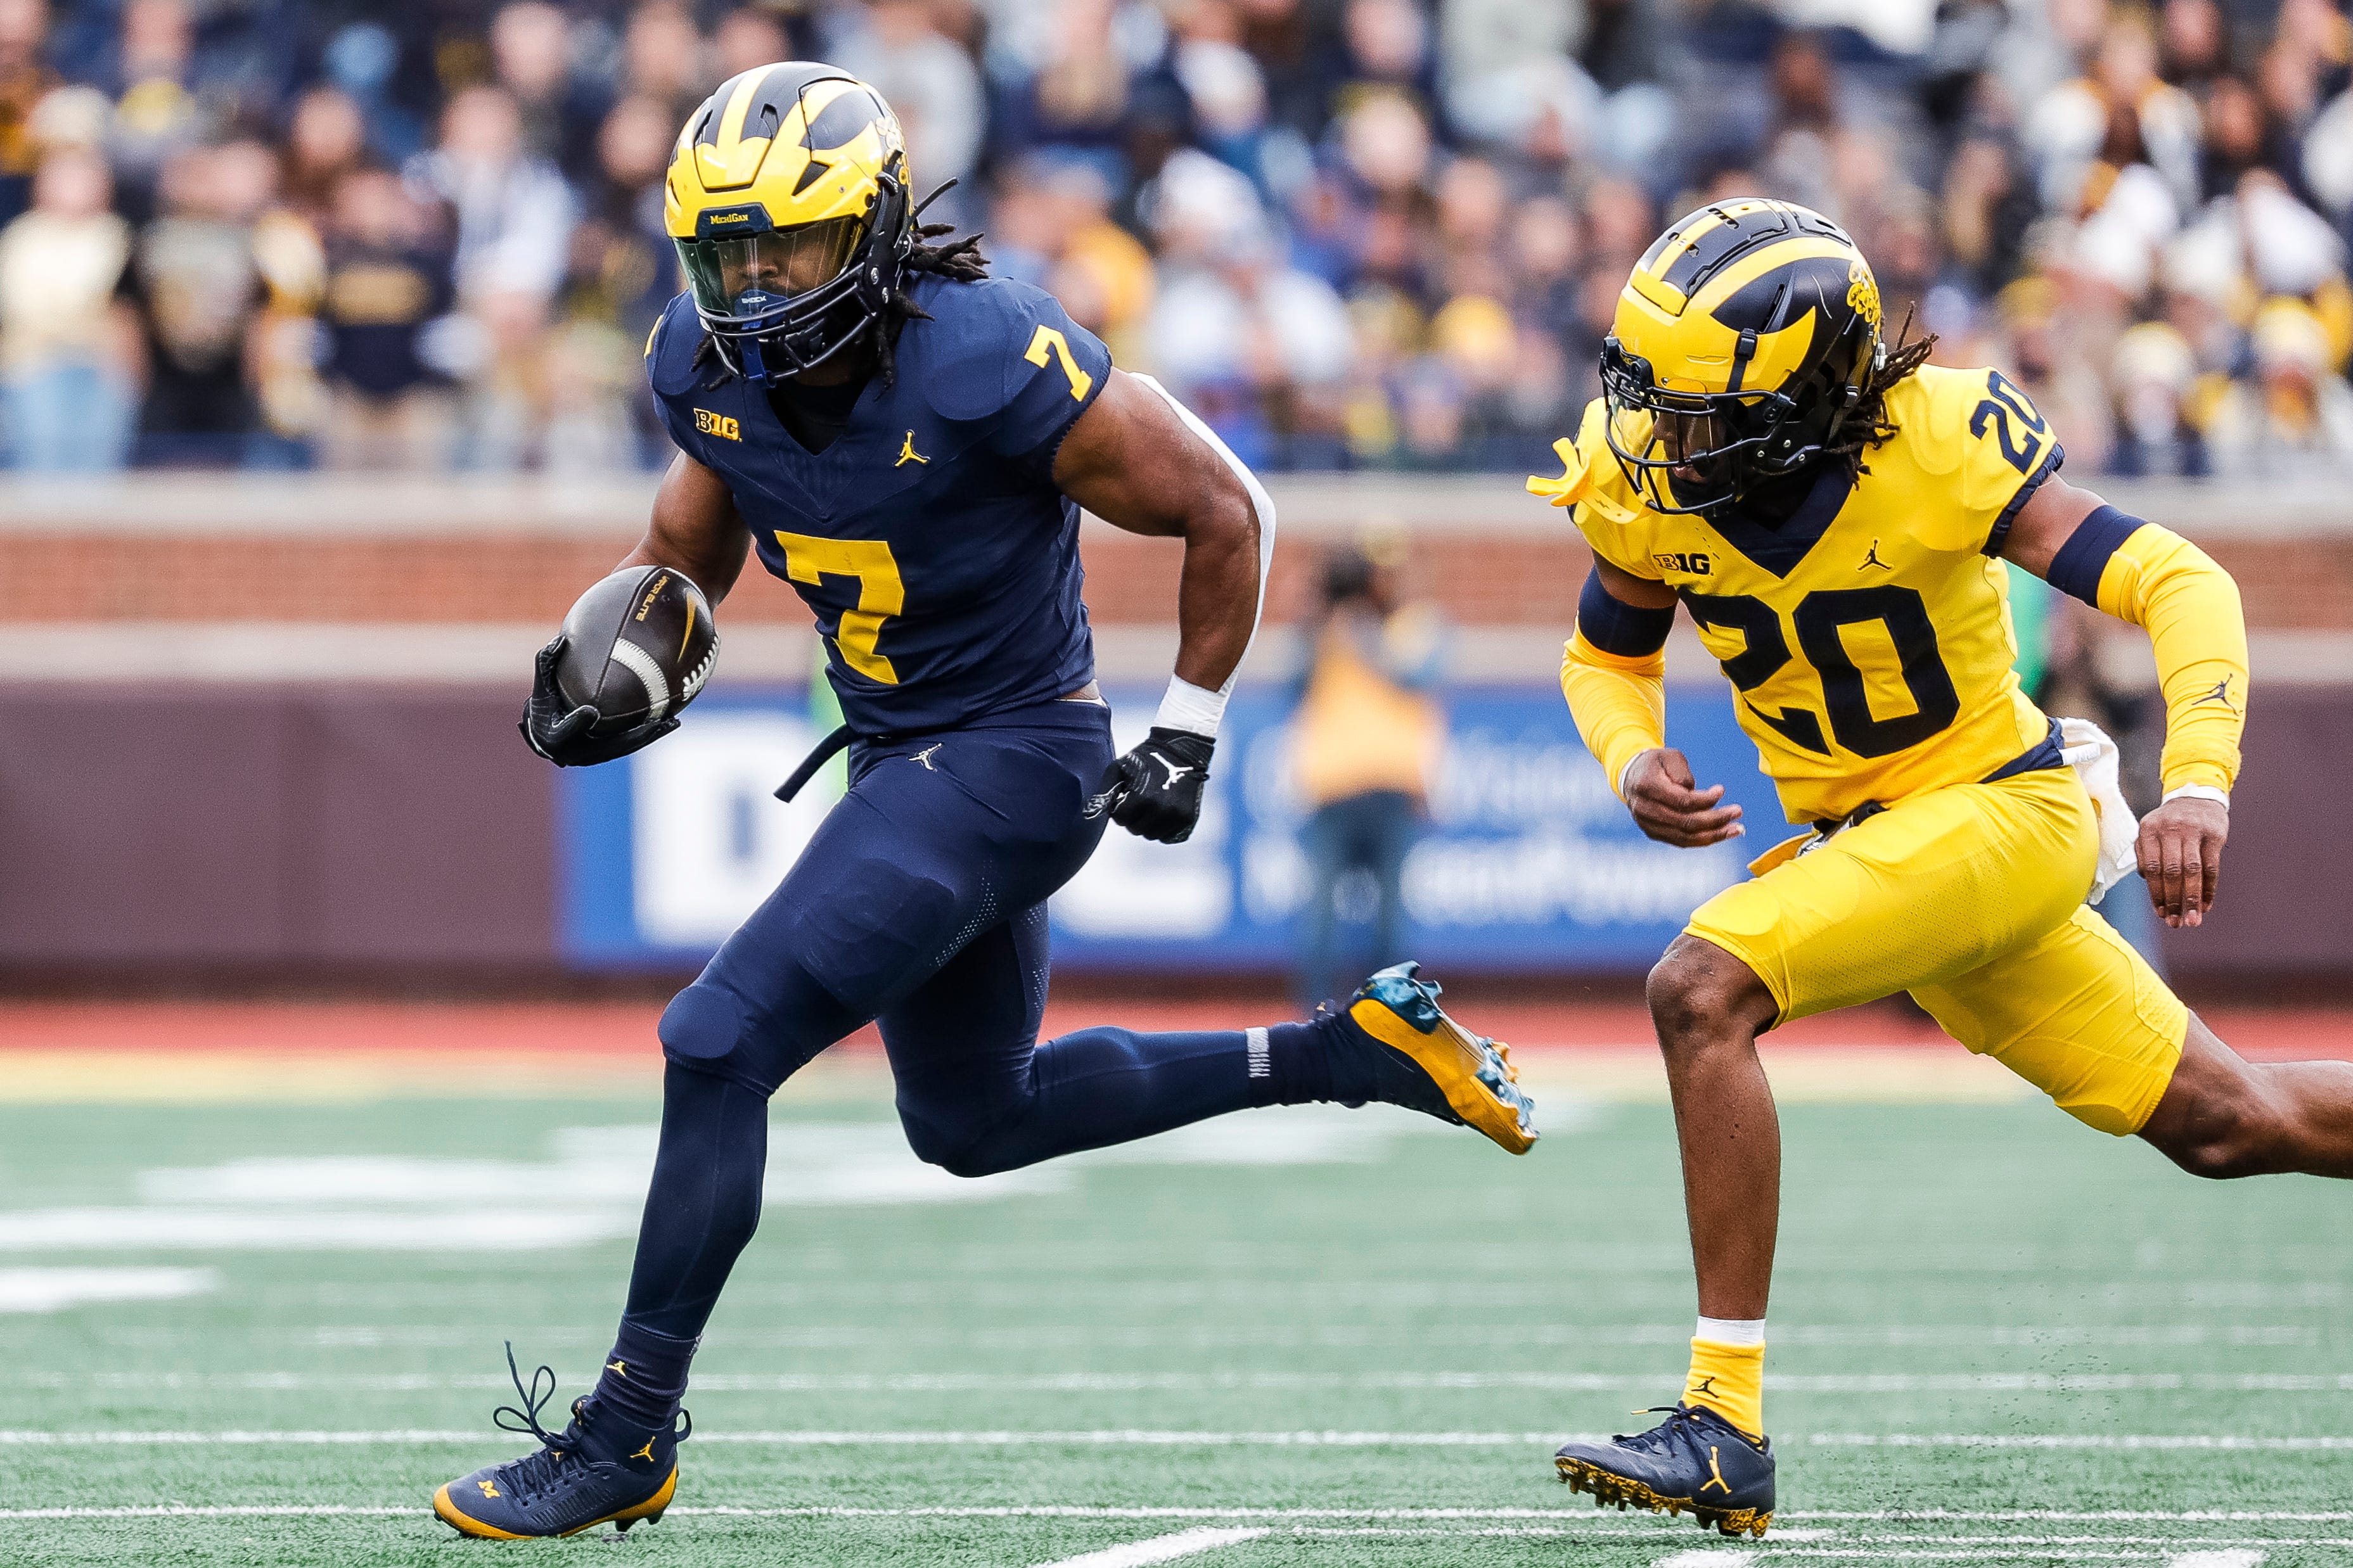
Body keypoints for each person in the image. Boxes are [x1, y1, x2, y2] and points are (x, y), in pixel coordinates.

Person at [430, 63, 1537, 1542]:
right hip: (907, 759)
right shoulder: (701, 363)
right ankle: (1347, 1049)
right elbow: (685, 546)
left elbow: (1230, 506)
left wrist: (1187, 730)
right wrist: (626, 647)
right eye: (728, 251)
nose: (755, 285)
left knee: (716, 1036)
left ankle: (625, 1428)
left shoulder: (985, 354)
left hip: (1015, 757)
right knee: (973, 1118)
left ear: (875, 226)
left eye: (792, 245)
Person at [1530, 198, 2353, 1539]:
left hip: (2000, 815)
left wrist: (2194, 777)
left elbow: (2179, 579)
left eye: (1697, 411)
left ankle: (1719, 1417)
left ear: (1806, 391)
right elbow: (1604, 653)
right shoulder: (1642, 483)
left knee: (1700, 988)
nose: (1659, 440)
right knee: (2229, 1121)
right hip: (1882, 851)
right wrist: (1626, 754)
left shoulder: (1937, 441)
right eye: (1649, 401)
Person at [1290, 534, 1446, 1009]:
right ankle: (1313, 1020)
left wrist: (1359, 630)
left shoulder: (1418, 624)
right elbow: (1293, 685)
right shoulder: (1325, 628)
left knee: (1390, 919)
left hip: (1393, 788)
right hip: (1332, 787)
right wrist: (1311, 619)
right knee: (1318, 916)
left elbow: (1412, 677)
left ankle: (1388, 1017)